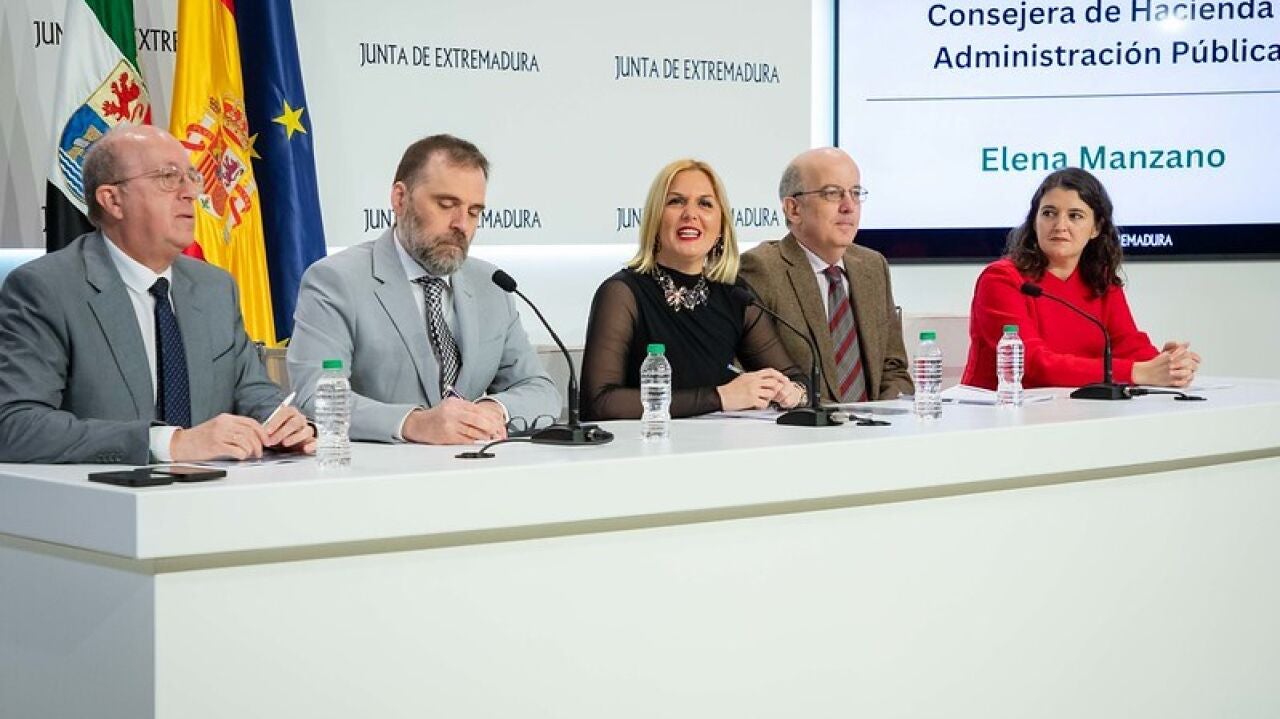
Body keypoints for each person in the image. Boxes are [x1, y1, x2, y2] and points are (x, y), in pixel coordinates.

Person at [0, 124, 314, 464]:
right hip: (105, 493)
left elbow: (251, 390)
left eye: (191, 177)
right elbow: (14, 424)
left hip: (216, 490)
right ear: (113, 200)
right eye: (168, 177)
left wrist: (280, 423)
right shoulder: (46, 288)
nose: (190, 193)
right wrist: (169, 443)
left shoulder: (215, 287)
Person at [287, 134, 559, 444]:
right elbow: (314, 396)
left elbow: (541, 390)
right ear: (399, 199)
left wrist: (492, 411)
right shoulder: (335, 281)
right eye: (446, 205)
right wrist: (414, 423)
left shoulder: (492, 285)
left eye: (474, 212)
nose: (462, 225)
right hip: (377, 470)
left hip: (476, 466)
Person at [581, 158, 806, 420]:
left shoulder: (734, 295)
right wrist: (720, 397)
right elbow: (599, 403)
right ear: (655, 218)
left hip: (721, 443)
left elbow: (799, 379)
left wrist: (794, 392)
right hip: (650, 442)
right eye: (676, 201)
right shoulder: (622, 294)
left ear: (721, 225)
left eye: (705, 204)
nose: (690, 214)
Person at [961, 167, 1200, 389]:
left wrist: (1167, 364)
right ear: (1034, 222)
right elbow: (1032, 364)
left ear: (1096, 228)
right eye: (1049, 213)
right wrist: (1138, 372)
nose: (1060, 225)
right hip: (1000, 411)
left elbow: (1129, 345)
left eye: (1075, 216)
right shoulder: (1001, 279)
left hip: (1077, 411)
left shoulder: (1100, 281)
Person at [739, 147, 912, 403]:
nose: (849, 206)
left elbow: (894, 370)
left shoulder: (872, 266)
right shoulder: (761, 269)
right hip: (802, 426)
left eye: (855, 193)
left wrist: (884, 416)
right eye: (832, 193)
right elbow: (756, 380)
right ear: (793, 209)